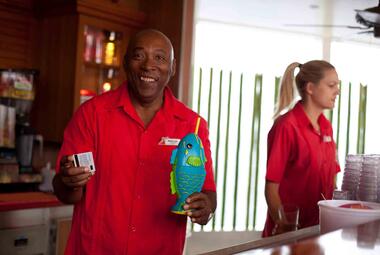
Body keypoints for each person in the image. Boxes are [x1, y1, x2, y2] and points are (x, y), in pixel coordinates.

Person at [53, 29, 217, 254]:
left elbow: (208, 194)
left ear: (173, 67)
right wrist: (68, 181)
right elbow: (67, 193)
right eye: (139, 56)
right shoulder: (92, 114)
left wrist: (204, 208)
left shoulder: (193, 125)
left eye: (159, 58)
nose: (148, 65)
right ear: (125, 62)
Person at [262, 60, 340, 237]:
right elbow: (271, 187)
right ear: (310, 88)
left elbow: (332, 180)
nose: (337, 91)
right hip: (291, 235)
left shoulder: (326, 126)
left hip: (319, 231)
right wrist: (284, 226)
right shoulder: (286, 126)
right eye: (331, 85)